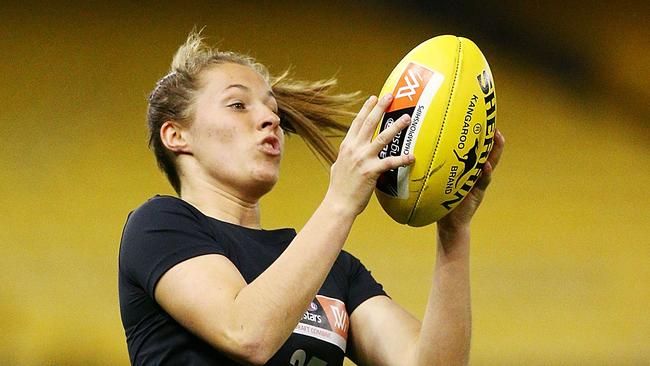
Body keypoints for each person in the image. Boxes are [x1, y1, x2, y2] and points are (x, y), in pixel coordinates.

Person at [118, 30, 505, 366]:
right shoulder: (158, 226)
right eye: (238, 105)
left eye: (273, 111)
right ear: (176, 136)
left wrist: (454, 231)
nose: (270, 120)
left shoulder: (336, 270)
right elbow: (246, 333)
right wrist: (340, 200)